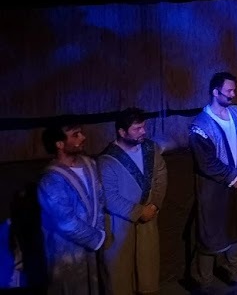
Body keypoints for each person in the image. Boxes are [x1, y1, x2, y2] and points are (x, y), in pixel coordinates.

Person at [188, 70, 237, 292]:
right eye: (229, 91)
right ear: (215, 92)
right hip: (214, 189)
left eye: (234, 90)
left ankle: (235, 273)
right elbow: (206, 162)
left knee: (236, 227)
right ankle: (205, 282)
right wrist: (234, 176)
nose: (233, 94)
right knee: (210, 234)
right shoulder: (200, 125)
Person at [99, 106, 167, 295]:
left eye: (143, 127)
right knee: (121, 274)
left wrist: (154, 204)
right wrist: (139, 212)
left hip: (148, 219)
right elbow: (109, 197)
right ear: (122, 132)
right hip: (121, 225)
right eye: (137, 129)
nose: (143, 131)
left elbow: (161, 175)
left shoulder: (150, 149)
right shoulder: (107, 160)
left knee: (147, 271)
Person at [37, 121, 106, 295]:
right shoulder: (51, 180)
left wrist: (100, 229)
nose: (83, 137)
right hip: (67, 253)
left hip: (93, 247)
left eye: (81, 133)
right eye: (75, 135)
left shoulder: (90, 165)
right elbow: (66, 222)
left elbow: (99, 200)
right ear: (59, 144)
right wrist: (97, 238)